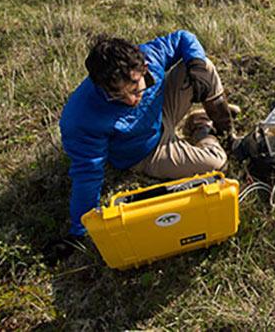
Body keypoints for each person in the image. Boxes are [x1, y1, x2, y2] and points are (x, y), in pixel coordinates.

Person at [48, 30, 239, 262]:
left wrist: (196, 63)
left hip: (161, 114)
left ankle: (227, 131)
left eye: (136, 88)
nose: (131, 100)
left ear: (143, 67)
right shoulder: (81, 118)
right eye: (119, 96)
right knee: (216, 162)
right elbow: (87, 175)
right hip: (147, 152)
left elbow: (183, 38)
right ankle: (201, 128)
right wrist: (79, 230)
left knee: (204, 67)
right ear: (100, 86)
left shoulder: (151, 56)